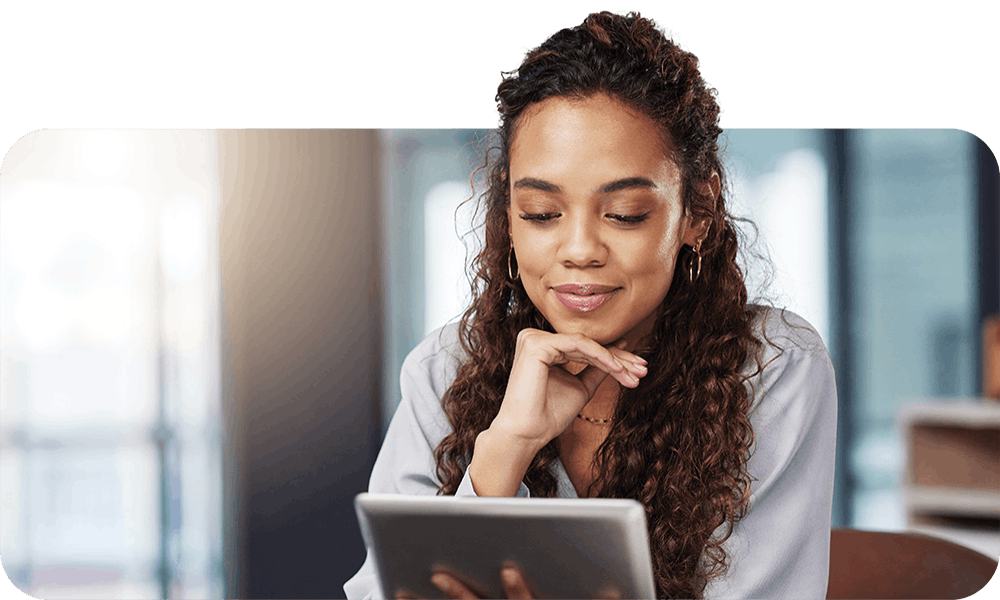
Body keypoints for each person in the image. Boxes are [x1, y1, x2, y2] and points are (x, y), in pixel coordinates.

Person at [345, 10, 836, 600]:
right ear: (507, 216)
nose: (579, 250)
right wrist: (503, 454)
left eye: (624, 214)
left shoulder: (771, 366)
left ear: (698, 212)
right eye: (541, 214)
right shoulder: (446, 367)